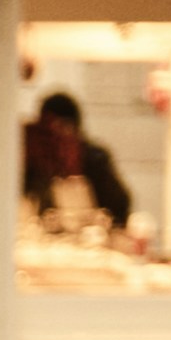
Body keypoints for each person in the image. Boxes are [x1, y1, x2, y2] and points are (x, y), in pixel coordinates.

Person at [19, 88, 136, 236]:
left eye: (62, 130)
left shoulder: (94, 160)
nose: (54, 142)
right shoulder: (36, 159)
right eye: (47, 133)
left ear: (75, 129)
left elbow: (120, 207)